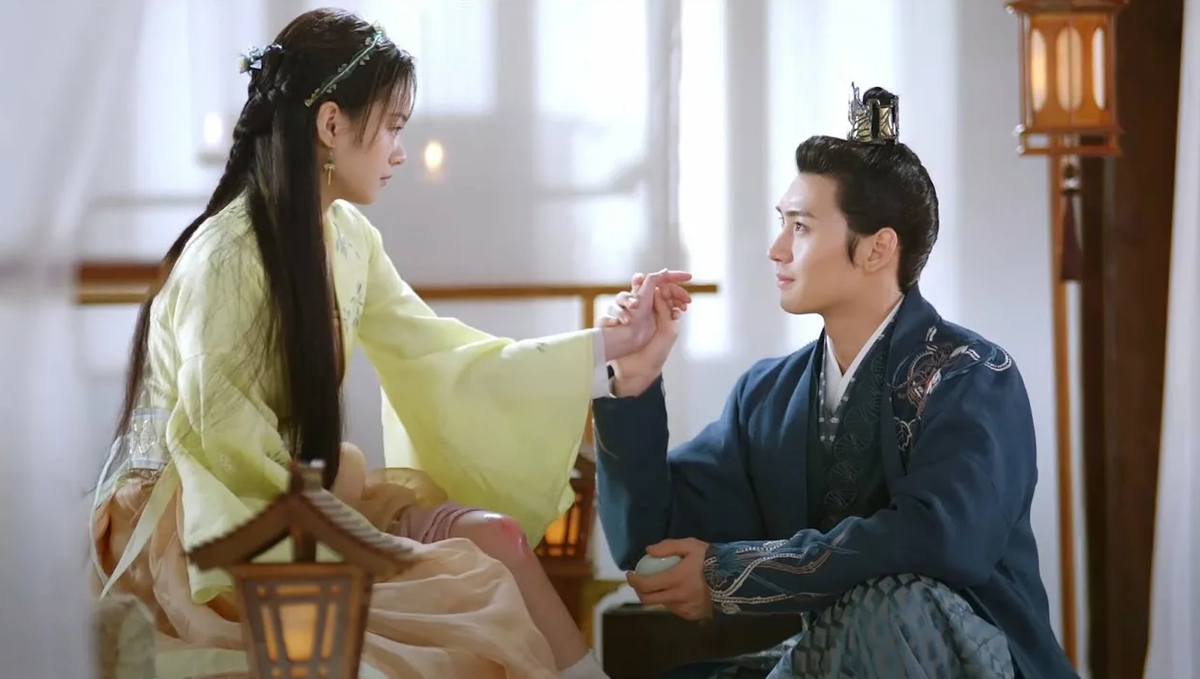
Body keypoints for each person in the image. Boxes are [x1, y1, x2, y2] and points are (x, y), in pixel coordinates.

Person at [89, 9, 692, 679]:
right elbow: (227, 451)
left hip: (298, 495)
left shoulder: (348, 239)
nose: (400, 152)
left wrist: (610, 345)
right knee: (457, 615)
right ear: (330, 125)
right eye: (394, 128)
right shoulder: (225, 260)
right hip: (211, 531)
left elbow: (441, 358)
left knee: (499, 538)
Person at [593, 86, 1078, 679]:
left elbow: (942, 540)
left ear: (877, 249)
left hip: (967, 655)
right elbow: (653, 552)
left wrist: (732, 575)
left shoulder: (972, 375)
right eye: (782, 224)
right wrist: (633, 385)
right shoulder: (768, 395)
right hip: (840, 658)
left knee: (892, 612)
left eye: (800, 227)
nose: (776, 249)